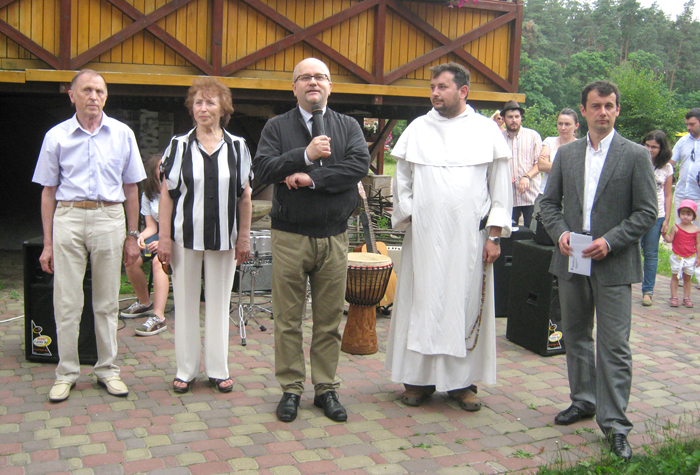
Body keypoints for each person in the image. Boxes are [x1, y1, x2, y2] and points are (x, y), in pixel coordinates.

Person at [384, 62, 512, 412]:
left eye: (442, 86)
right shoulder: (418, 129)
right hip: (424, 239)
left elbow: (500, 189)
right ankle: (417, 380)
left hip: (469, 240)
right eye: (432, 87)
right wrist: (412, 215)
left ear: (463, 91)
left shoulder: (487, 131)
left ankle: (462, 384)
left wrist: (495, 235)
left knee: (464, 304)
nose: (435, 93)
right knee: (420, 304)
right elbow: (403, 180)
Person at [540, 80, 657, 460]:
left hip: (614, 263)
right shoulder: (567, 155)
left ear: (617, 110)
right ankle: (583, 400)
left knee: (614, 347)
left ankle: (616, 425)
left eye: (609, 105)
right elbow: (547, 204)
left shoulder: (636, 155)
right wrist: (559, 234)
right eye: (596, 106)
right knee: (574, 335)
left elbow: (646, 212)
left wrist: (610, 241)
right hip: (571, 261)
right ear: (584, 110)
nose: (603, 112)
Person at [253, 58, 370, 423]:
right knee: (288, 318)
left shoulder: (347, 126)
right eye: (304, 77)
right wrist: (303, 156)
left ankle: (326, 388)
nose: (313, 82)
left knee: (329, 318)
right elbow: (263, 168)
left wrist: (309, 178)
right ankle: (290, 389)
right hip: (290, 236)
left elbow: (357, 167)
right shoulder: (276, 126)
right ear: (294, 88)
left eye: (320, 77)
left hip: (334, 236)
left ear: (330, 86)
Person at [32, 69, 146, 402]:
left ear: (106, 96)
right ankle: (66, 372)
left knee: (107, 301)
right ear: (72, 95)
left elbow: (132, 186)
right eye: (86, 90)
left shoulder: (122, 134)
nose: (93, 96)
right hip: (68, 216)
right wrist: (48, 242)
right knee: (67, 301)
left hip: (110, 217)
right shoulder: (56, 136)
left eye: (99, 90)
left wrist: (132, 234)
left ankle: (107, 370)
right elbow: (48, 192)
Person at [157, 77, 253, 394]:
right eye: (198, 102)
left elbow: (245, 197)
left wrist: (244, 238)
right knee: (184, 304)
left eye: (210, 102)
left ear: (223, 108)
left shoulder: (238, 147)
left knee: (218, 302)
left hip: (225, 240)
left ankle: (217, 369)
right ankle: (185, 370)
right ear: (191, 108)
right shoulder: (178, 146)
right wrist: (164, 237)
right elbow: (167, 194)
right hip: (184, 239)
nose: (203, 108)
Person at [121, 154, 170, 336]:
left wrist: (165, 240)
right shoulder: (148, 195)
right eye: (161, 167)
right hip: (159, 233)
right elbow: (151, 226)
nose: (165, 170)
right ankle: (144, 302)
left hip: (178, 236)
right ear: (152, 172)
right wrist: (139, 237)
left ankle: (158, 317)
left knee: (159, 260)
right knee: (131, 258)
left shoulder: (177, 190)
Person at [640, 130, 674, 306]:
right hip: (637, 213)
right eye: (647, 145)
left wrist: (667, 219)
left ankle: (648, 291)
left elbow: (668, 195)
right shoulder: (638, 160)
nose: (650, 149)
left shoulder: (666, 167)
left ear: (662, 149)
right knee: (631, 251)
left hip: (657, 214)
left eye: (654, 147)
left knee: (651, 253)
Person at [501, 100, 542, 228]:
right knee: (508, 235)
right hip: (509, 197)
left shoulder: (533, 136)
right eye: (510, 117)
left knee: (532, 234)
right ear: (503, 119)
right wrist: (505, 177)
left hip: (531, 195)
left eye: (517, 117)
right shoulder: (498, 138)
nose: (514, 120)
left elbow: (540, 164)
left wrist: (527, 177)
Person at [663, 200, 700, 308]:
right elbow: (670, 240)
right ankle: (674, 297)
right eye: (683, 213)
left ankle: (686, 297)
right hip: (677, 257)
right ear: (679, 215)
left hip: (690, 258)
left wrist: (698, 258)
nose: (685, 217)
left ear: (694, 216)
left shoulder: (696, 230)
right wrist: (664, 234)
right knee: (675, 277)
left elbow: (698, 244)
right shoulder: (675, 227)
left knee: (687, 278)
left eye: (689, 214)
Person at [670, 108, 700, 229]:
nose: (688, 128)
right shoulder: (682, 141)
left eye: (692, 124)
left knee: (697, 234)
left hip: (698, 196)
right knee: (680, 232)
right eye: (687, 124)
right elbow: (669, 163)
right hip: (681, 194)